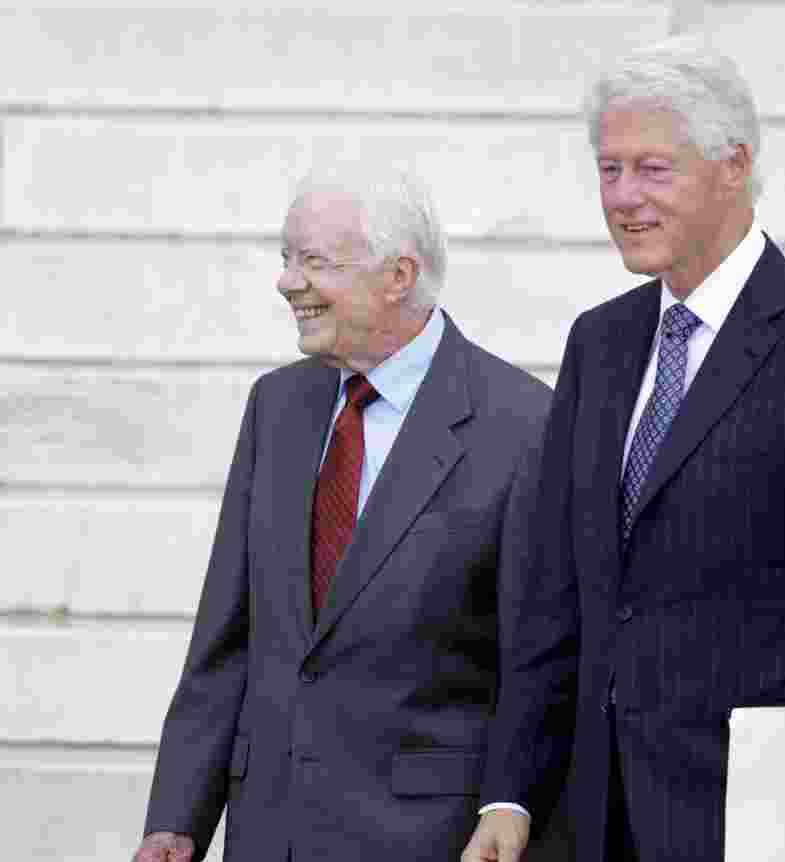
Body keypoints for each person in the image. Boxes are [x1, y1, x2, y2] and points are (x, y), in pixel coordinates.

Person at [464, 36, 785, 862]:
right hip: (598, 819)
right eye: (608, 169)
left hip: (766, 821)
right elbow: (555, 595)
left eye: (653, 169)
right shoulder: (599, 344)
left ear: (734, 166)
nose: (622, 197)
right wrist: (508, 791)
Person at [132, 161, 557, 861]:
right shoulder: (276, 407)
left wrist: (509, 802)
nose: (286, 281)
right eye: (285, 257)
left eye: (313, 262)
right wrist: (176, 819)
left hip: (423, 839)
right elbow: (226, 639)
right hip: (269, 832)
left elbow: (535, 662)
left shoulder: (521, 424)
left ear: (397, 275)